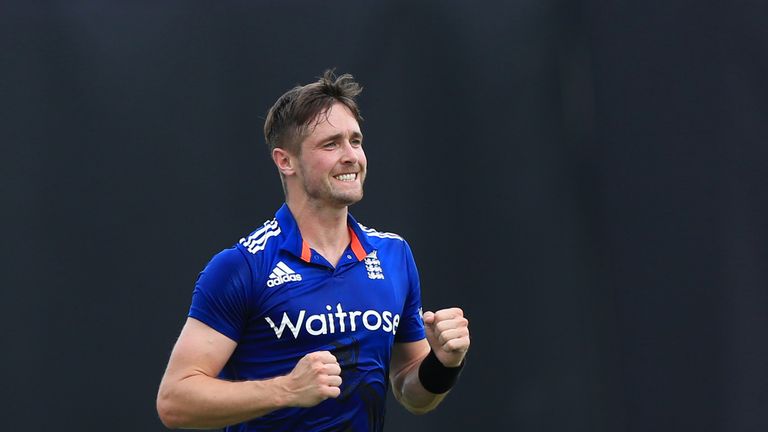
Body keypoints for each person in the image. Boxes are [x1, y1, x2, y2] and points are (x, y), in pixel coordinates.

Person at [156, 70, 470, 431]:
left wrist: (443, 365)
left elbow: (411, 391)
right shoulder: (243, 266)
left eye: (356, 140)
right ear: (285, 161)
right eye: (331, 144)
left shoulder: (393, 255)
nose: (351, 156)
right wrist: (286, 390)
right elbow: (175, 401)